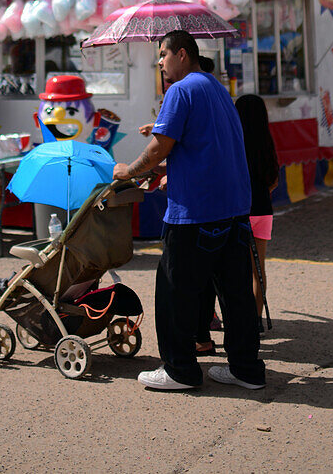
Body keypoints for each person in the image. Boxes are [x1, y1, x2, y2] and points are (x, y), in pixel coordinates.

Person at [114, 30, 265, 392]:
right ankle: (246, 369)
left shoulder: (180, 90)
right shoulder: (215, 88)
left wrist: (127, 171)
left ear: (182, 54)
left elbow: (158, 150)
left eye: (163, 55)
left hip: (196, 212)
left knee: (173, 292)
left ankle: (179, 371)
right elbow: (201, 143)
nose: (160, 62)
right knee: (236, 294)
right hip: (233, 209)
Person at [196, 92, 279, 344]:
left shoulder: (233, 141)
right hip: (263, 210)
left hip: (238, 210)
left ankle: (234, 321)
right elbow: (272, 181)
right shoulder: (267, 142)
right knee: (258, 270)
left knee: (233, 269)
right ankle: (255, 320)